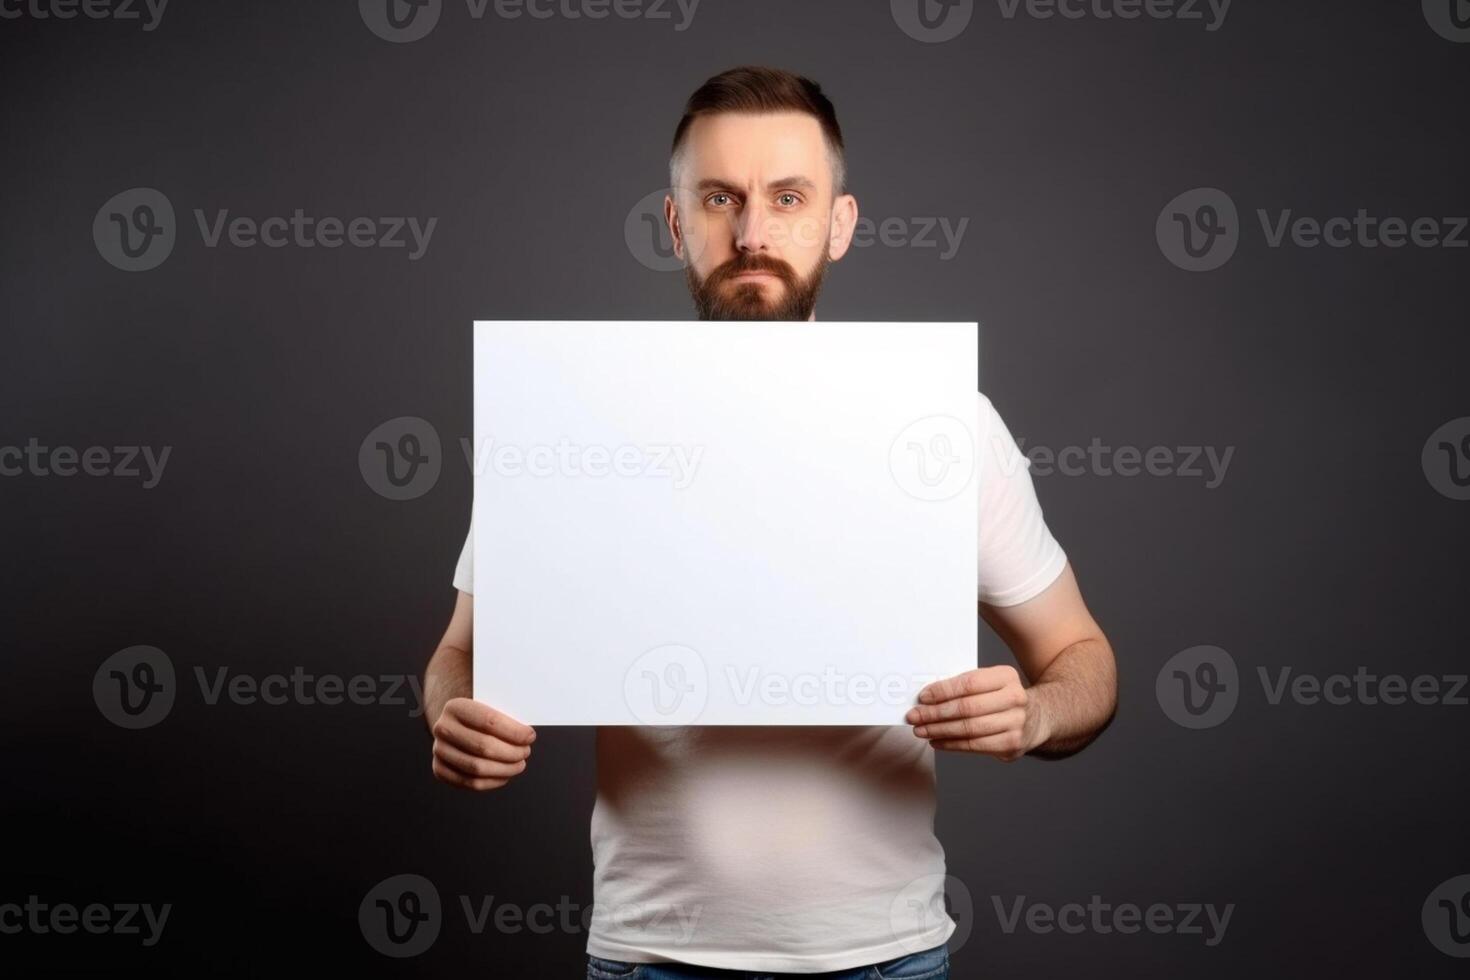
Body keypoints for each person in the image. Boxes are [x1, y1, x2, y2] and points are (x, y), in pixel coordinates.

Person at [423, 66, 1118, 979]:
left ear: (840, 222)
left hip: (885, 958)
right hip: (648, 956)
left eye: (788, 197)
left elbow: (1085, 662)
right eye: (720, 198)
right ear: (675, 222)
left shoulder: (941, 423)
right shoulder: (576, 420)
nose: (752, 235)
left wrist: (1030, 715)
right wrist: (454, 718)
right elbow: (458, 657)